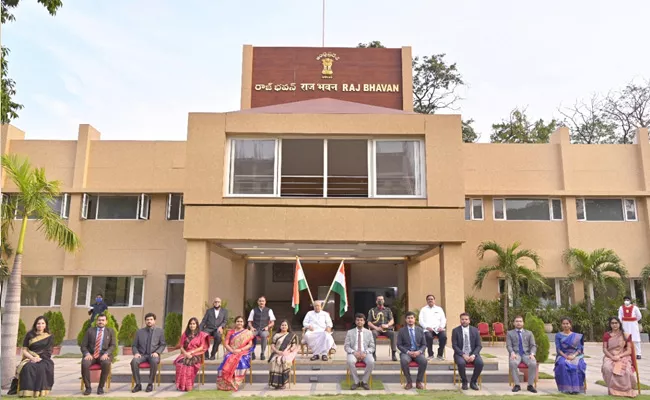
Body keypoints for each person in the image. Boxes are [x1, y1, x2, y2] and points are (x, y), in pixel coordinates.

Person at [9, 316, 55, 397]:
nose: (40, 325)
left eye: (42, 323)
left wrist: (39, 358)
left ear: (45, 325)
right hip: (29, 357)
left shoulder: (49, 336)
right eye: (38, 323)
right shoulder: (29, 335)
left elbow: (48, 351)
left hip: (44, 358)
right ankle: (26, 392)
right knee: (28, 367)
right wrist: (32, 358)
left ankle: (39, 391)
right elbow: (24, 350)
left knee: (42, 367)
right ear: (35, 324)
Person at [602, 316, 638, 398]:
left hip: (623, 356)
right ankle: (613, 390)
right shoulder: (607, 335)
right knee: (607, 368)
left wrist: (619, 356)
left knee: (627, 370)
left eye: (616, 323)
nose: (614, 325)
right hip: (610, 356)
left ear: (619, 324)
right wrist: (612, 357)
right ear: (610, 324)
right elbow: (604, 349)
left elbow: (629, 351)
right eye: (612, 323)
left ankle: (626, 390)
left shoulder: (625, 335)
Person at [80, 314, 116, 395]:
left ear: (106, 322)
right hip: (91, 355)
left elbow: (113, 345)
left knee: (106, 363)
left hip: (104, 354)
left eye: (103, 320)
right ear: (96, 321)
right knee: (85, 363)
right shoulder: (90, 331)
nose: (101, 322)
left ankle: (100, 387)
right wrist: (87, 354)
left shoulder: (110, 331)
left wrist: (107, 353)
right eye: (99, 320)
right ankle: (88, 388)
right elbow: (83, 345)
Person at [130, 312, 166, 393]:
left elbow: (163, 344)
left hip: (153, 354)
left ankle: (150, 384)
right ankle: (138, 384)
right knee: (134, 362)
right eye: (147, 320)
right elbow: (134, 345)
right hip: (142, 355)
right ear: (145, 321)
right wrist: (136, 353)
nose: (149, 321)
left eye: (151, 319)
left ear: (154, 321)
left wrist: (157, 352)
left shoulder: (160, 331)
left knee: (154, 361)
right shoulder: (139, 332)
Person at [217, 316, 255, 391]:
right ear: (235, 322)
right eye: (238, 321)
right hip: (231, 351)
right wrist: (232, 350)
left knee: (240, 361)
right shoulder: (230, 332)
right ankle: (225, 384)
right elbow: (226, 343)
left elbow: (249, 344)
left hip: (243, 352)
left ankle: (234, 383)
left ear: (243, 323)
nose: (239, 323)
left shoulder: (247, 332)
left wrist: (240, 350)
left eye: (241, 321)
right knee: (228, 359)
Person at [174, 317, 209, 392]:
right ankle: (181, 385)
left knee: (188, 363)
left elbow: (201, 347)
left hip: (197, 354)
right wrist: (186, 353)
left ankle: (188, 386)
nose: (192, 325)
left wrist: (191, 353)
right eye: (190, 324)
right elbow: (181, 346)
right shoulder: (185, 334)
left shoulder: (201, 335)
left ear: (197, 325)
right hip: (185, 353)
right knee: (180, 362)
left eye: (193, 324)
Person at [554, 317, 586, 394]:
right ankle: (566, 388)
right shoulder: (558, 335)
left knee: (579, 365)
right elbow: (558, 349)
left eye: (567, 323)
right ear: (561, 325)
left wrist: (573, 356)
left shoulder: (577, 336)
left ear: (570, 325)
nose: (565, 325)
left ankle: (576, 389)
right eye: (564, 324)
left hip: (576, 355)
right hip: (563, 355)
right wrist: (566, 357)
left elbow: (579, 349)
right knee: (562, 364)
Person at [451, 312, 483, 391]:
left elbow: (479, 345)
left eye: (466, 319)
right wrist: (463, 355)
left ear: (469, 321)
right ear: (460, 320)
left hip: (473, 353)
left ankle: (473, 382)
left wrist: (473, 355)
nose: (464, 321)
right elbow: (454, 345)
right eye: (462, 319)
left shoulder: (475, 330)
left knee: (480, 363)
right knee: (461, 363)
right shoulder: (455, 331)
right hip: (460, 354)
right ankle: (464, 381)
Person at [506, 315, 538, 393]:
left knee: (533, 363)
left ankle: (530, 385)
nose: (518, 323)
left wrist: (532, 354)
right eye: (517, 321)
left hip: (527, 354)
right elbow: (509, 345)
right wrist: (512, 353)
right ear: (514, 323)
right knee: (513, 363)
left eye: (520, 321)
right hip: (516, 354)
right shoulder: (510, 333)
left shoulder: (529, 333)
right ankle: (517, 385)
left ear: (523, 323)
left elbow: (533, 345)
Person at [344, 313, 376, 390]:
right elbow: (346, 346)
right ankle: (356, 382)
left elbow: (372, 347)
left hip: (365, 353)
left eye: (361, 320)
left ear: (364, 322)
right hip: (353, 353)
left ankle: (364, 382)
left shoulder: (369, 332)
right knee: (350, 361)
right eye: (358, 320)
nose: (359, 322)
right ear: (355, 321)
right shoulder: (350, 332)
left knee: (371, 361)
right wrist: (354, 352)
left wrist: (366, 352)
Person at [397, 311, 427, 390]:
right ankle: (409, 382)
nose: (410, 320)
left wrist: (419, 351)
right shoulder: (401, 331)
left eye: (412, 318)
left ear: (415, 319)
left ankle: (418, 382)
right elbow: (399, 345)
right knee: (403, 360)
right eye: (408, 318)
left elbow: (424, 344)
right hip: (407, 352)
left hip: (418, 352)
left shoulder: (420, 330)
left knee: (424, 361)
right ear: (405, 320)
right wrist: (408, 352)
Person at [268, 320, 299, 389]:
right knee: (274, 361)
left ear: (288, 327)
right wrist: (277, 351)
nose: (284, 326)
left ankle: (283, 383)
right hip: (277, 353)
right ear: (280, 326)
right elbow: (272, 345)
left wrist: (289, 350)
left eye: (285, 325)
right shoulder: (276, 335)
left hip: (287, 353)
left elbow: (294, 345)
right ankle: (275, 383)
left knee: (283, 361)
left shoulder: (291, 335)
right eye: (282, 325)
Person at [367, 295, 397, 361]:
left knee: (393, 334)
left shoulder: (388, 310)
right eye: (378, 299)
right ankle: (373, 353)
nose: (380, 301)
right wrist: (376, 328)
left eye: (381, 299)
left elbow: (392, 321)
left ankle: (393, 354)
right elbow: (369, 322)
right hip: (376, 329)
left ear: (384, 301)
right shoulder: (372, 310)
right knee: (373, 334)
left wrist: (387, 325)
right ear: (376, 301)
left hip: (386, 329)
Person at [418, 294, 447, 360]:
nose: (430, 300)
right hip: (428, 329)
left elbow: (443, 319)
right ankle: (430, 354)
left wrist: (441, 327)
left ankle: (440, 354)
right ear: (427, 301)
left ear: (434, 300)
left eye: (432, 299)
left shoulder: (439, 309)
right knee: (428, 337)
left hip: (438, 329)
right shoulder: (423, 309)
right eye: (429, 299)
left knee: (443, 337)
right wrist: (426, 327)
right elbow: (421, 320)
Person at [247, 295, 276, 361]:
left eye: (263, 301)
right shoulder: (253, 310)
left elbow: (272, 322)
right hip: (255, 328)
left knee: (263, 335)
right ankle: (252, 352)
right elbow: (249, 321)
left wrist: (267, 327)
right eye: (260, 301)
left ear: (265, 302)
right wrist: (251, 327)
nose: (261, 302)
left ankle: (262, 353)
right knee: (249, 335)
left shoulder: (269, 310)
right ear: (258, 302)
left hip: (264, 329)